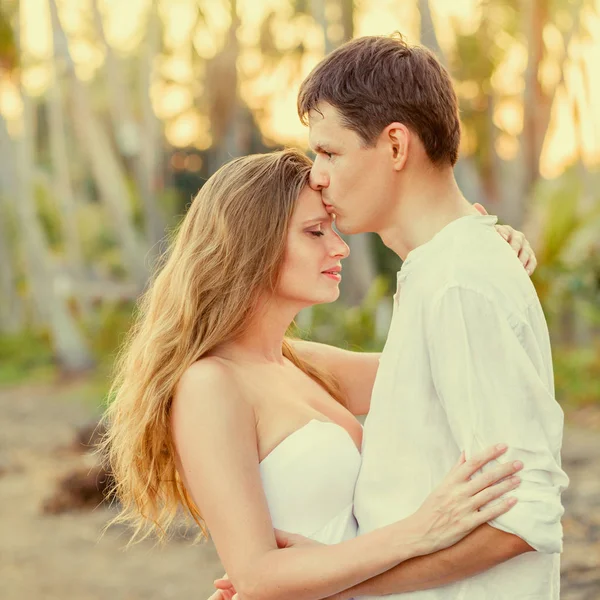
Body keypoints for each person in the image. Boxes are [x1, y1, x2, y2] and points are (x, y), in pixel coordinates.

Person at [212, 35, 569, 600]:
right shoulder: (439, 274)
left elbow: (521, 519)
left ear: (396, 146)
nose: (319, 177)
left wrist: (345, 587)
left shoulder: (458, 282)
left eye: (329, 152)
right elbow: (269, 363)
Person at [101, 149, 532, 600]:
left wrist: (479, 251)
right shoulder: (210, 385)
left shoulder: (299, 362)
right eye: (314, 232)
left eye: (333, 229)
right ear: (251, 244)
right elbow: (255, 576)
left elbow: (438, 365)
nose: (339, 246)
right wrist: (419, 531)